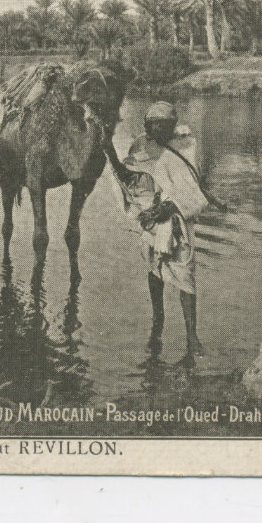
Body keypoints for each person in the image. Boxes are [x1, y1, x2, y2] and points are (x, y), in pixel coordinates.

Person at [103, 102, 209, 363]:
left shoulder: (186, 146)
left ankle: (191, 335)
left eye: (166, 126)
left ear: (173, 126)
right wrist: (109, 152)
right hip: (152, 216)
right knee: (154, 267)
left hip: (177, 220)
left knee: (185, 271)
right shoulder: (141, 147)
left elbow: (193, 188)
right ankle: (157, 315)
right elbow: (130, 179)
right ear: (147, 127)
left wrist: (170, 207)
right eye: (155, 126)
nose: (160, 131)